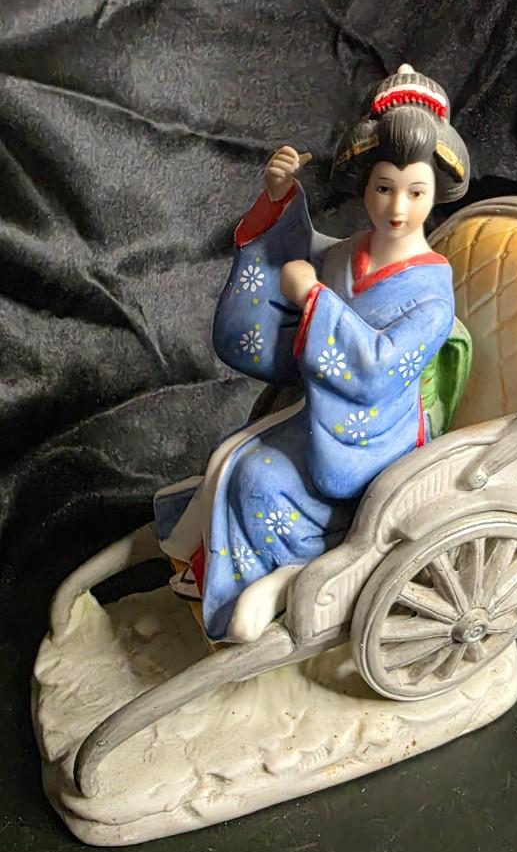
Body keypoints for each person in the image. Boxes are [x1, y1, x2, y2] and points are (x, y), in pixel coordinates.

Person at [154, 65, 470, 643]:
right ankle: (223, 573)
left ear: (435, 194)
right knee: (228, 457)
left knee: (258, 475)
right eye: (384, 187)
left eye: (415, 191)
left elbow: (377, 369)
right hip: (326, 414)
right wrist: (278, 202)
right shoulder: (350, 252)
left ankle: (294, 569)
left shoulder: (433, 293)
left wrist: (314, 299)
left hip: (373, 433)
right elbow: (299, 252)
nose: (398, 207)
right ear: (365, 187)